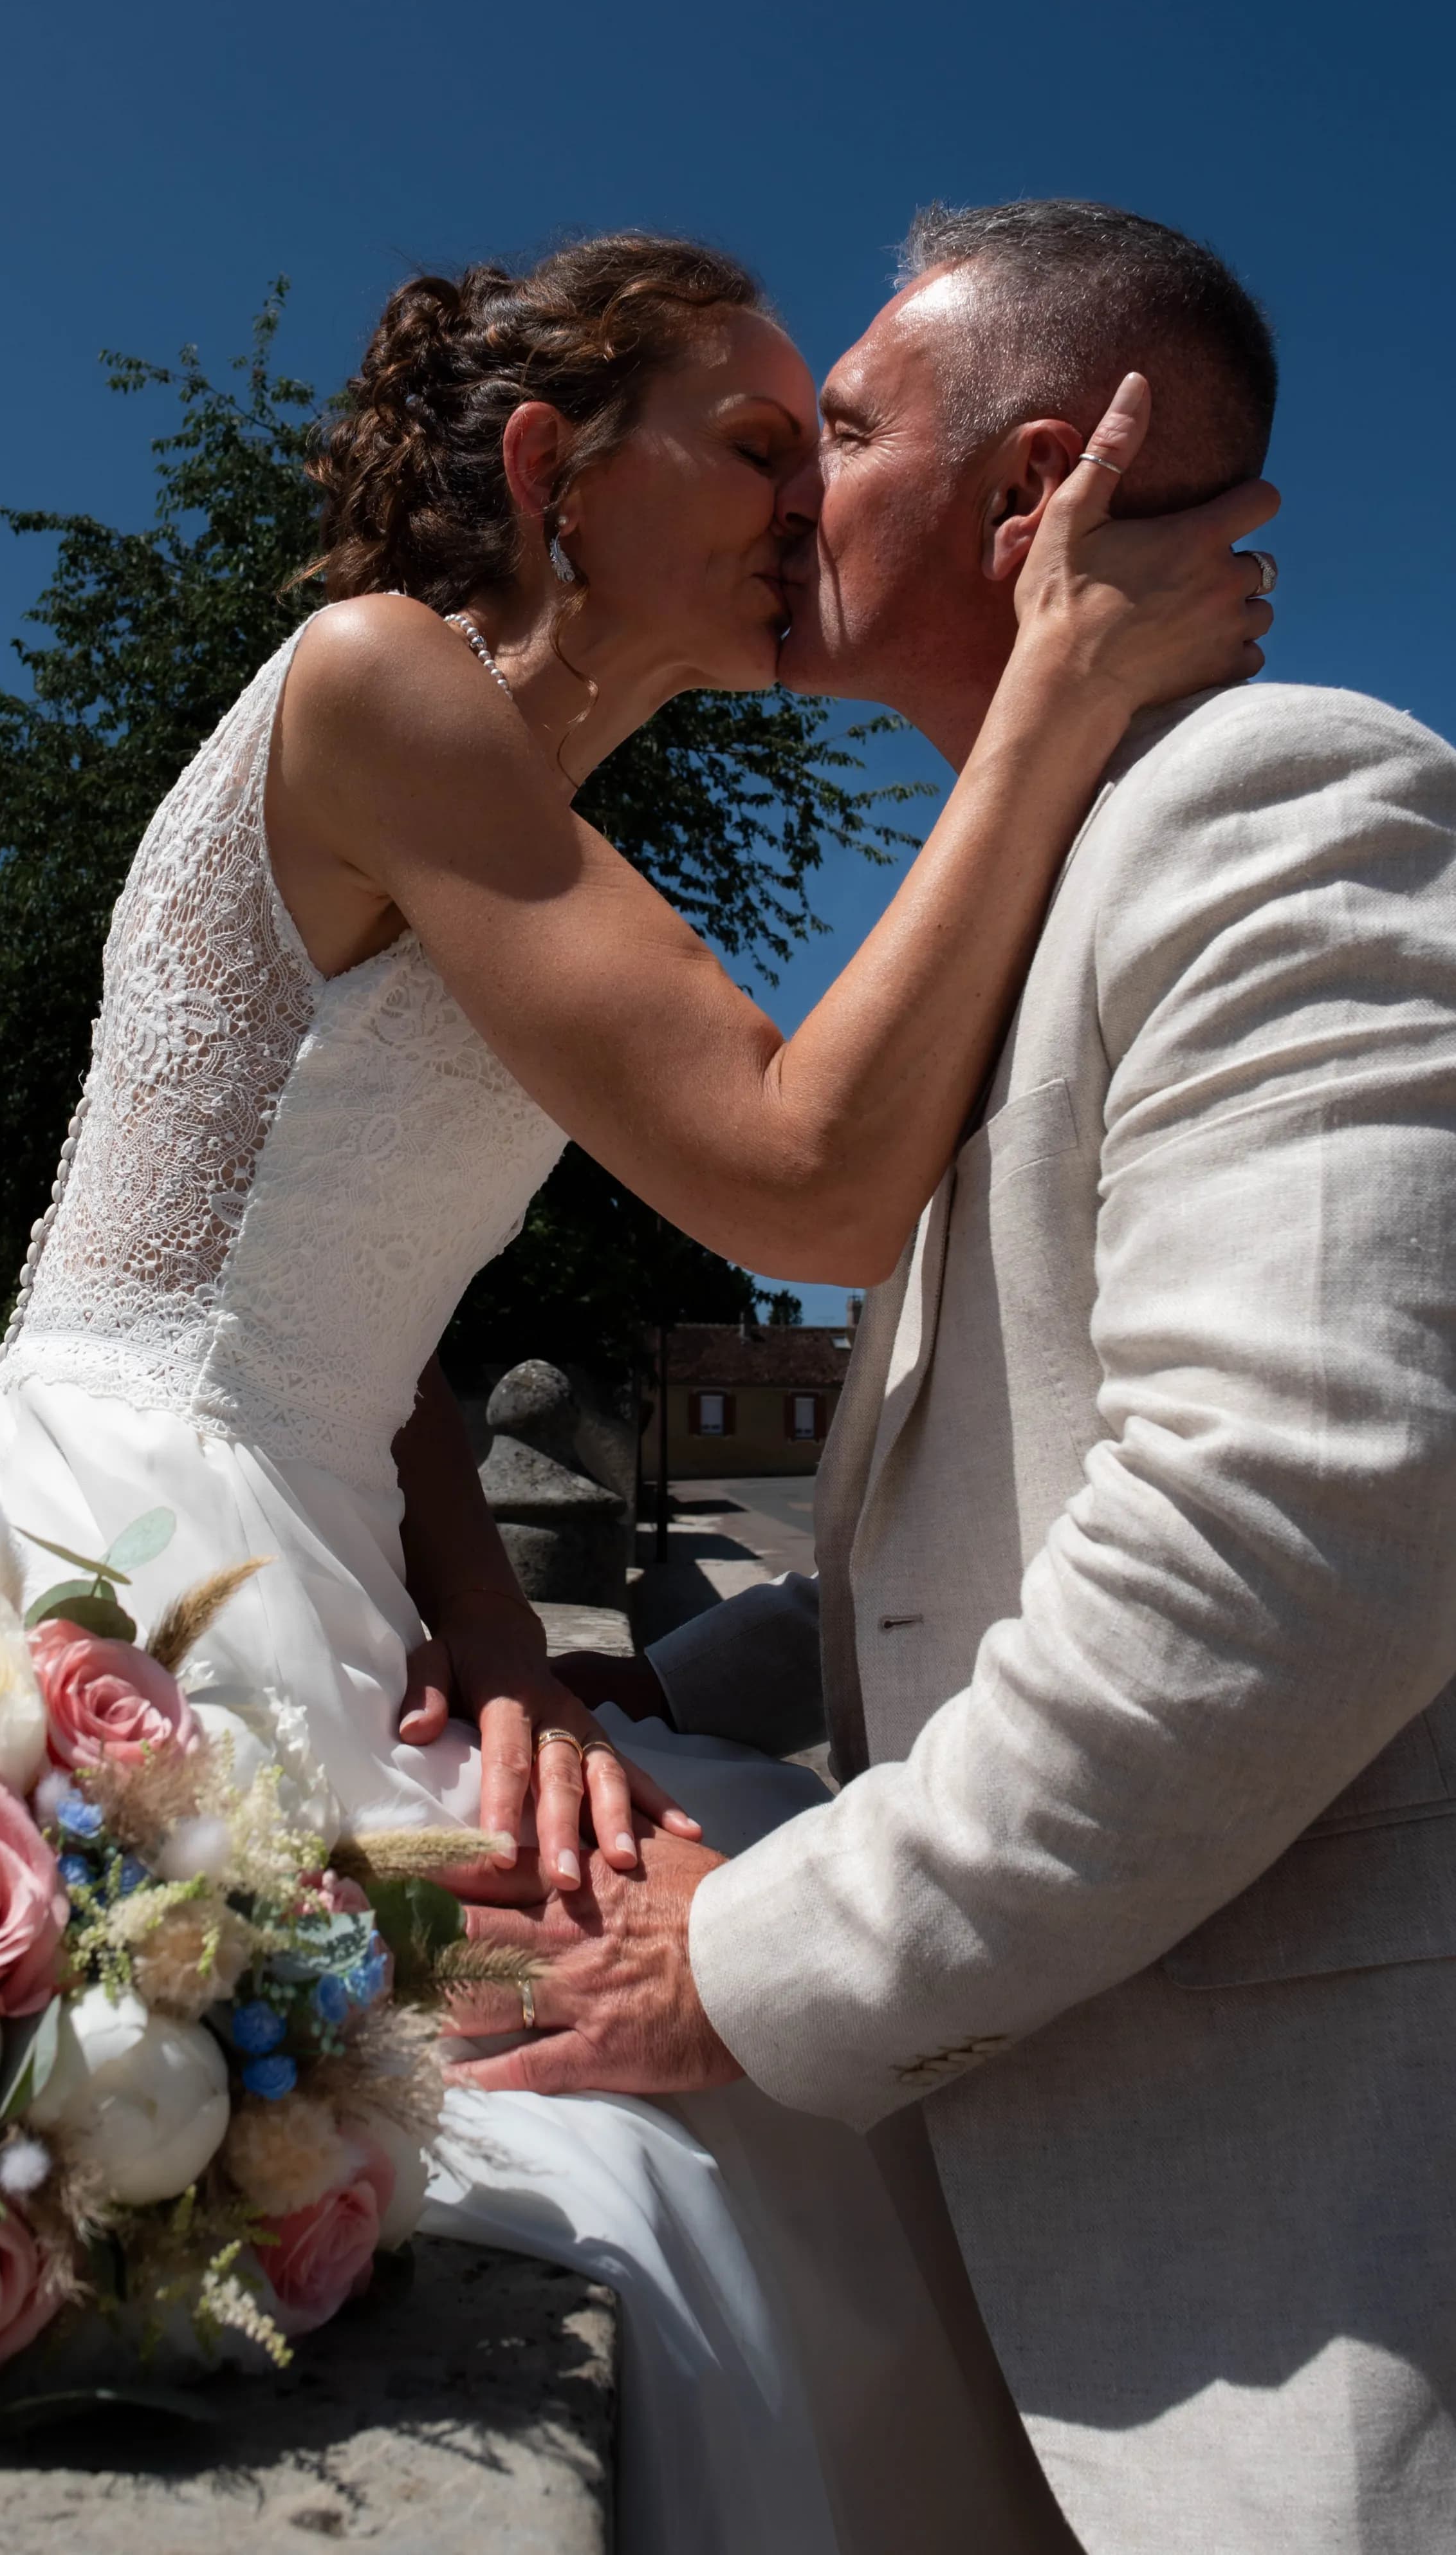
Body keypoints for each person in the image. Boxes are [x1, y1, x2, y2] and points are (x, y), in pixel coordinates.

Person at [0, 227, 1273, 2554]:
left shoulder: (536, 827)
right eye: (751, 446)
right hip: (128, 1566)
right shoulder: (376, 682)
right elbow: (810, 1187)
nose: (800, 507)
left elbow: (388, 1320)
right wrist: (1052, 694)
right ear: (553, 469)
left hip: (324, 1550)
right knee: (623, 2094)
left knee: (693, 1913)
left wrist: (508, 1651)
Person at [475, 201, 1456, 2555]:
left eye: (842, 427)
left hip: (1286, 2266)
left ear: (1031, 498)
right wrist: (665, 1692)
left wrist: (744, 1962)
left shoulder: (1283, 795)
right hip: (1027, 2245)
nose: (795, 489)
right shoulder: (1029, 908)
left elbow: (1302, 1521)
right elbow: (968, 1539)